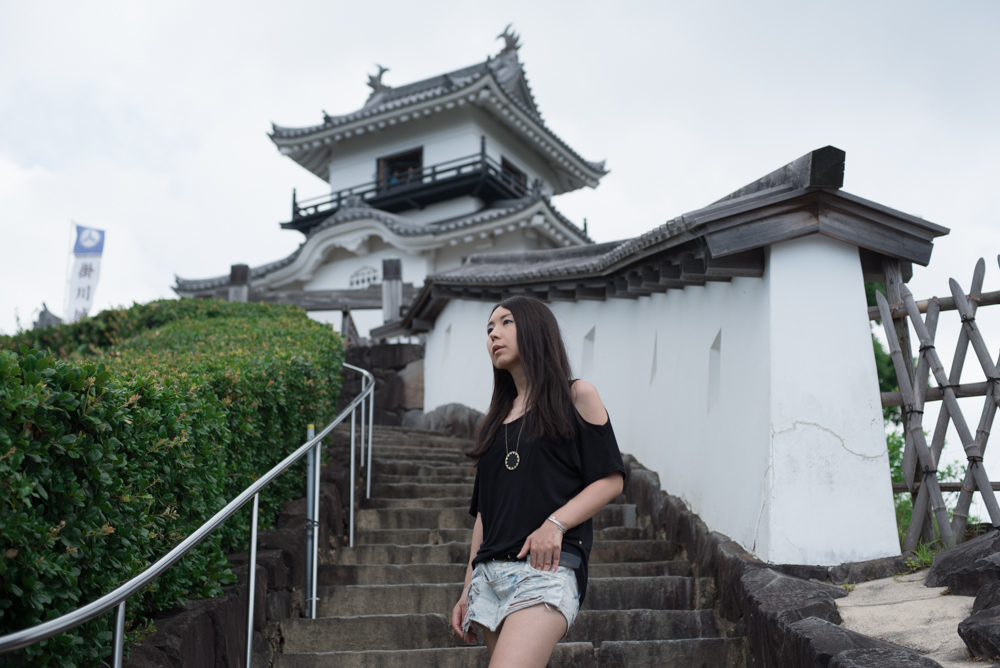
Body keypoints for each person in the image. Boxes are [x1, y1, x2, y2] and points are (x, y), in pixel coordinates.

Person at [450, 295, 626, 667]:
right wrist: (467, 587)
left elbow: (611, 480)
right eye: (489, 329)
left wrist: (555, 523)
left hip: (544, 570)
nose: (493, 334)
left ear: (535, 329)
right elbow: (483, 515)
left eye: (505, 322)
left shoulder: (576, 395)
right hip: (489, 577)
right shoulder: (494, 423)